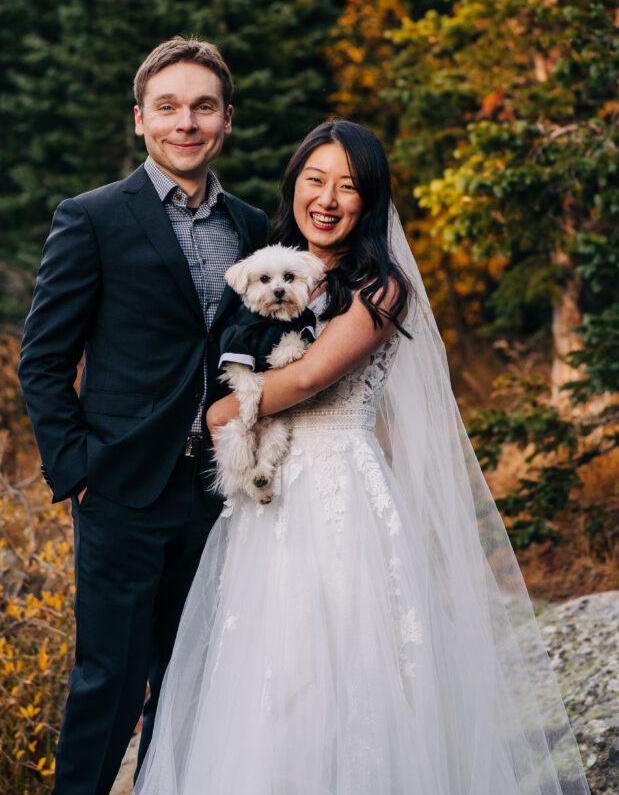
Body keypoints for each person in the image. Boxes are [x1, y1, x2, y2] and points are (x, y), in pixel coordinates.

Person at [134, 120, 590, 795]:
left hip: (338, 496)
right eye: (314, 180)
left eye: (347, 187)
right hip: (268, 500)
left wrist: (220, 412)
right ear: (294, 188)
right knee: (268, 667)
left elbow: (305, 379)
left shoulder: (379, 288)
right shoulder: (277, 269)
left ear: (368, 200)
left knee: (343, 667)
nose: (327, 198)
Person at [17, 37, 270, 795]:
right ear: (140, 119)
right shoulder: (91, 217)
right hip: (120, 489)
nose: (184, 122)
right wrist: (79, 471)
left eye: (202, 106)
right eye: (167, 107)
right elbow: (42, 359)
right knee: (109, 683)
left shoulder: (255, 229)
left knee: (194, 682)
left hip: (214, 494)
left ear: (225, 119)